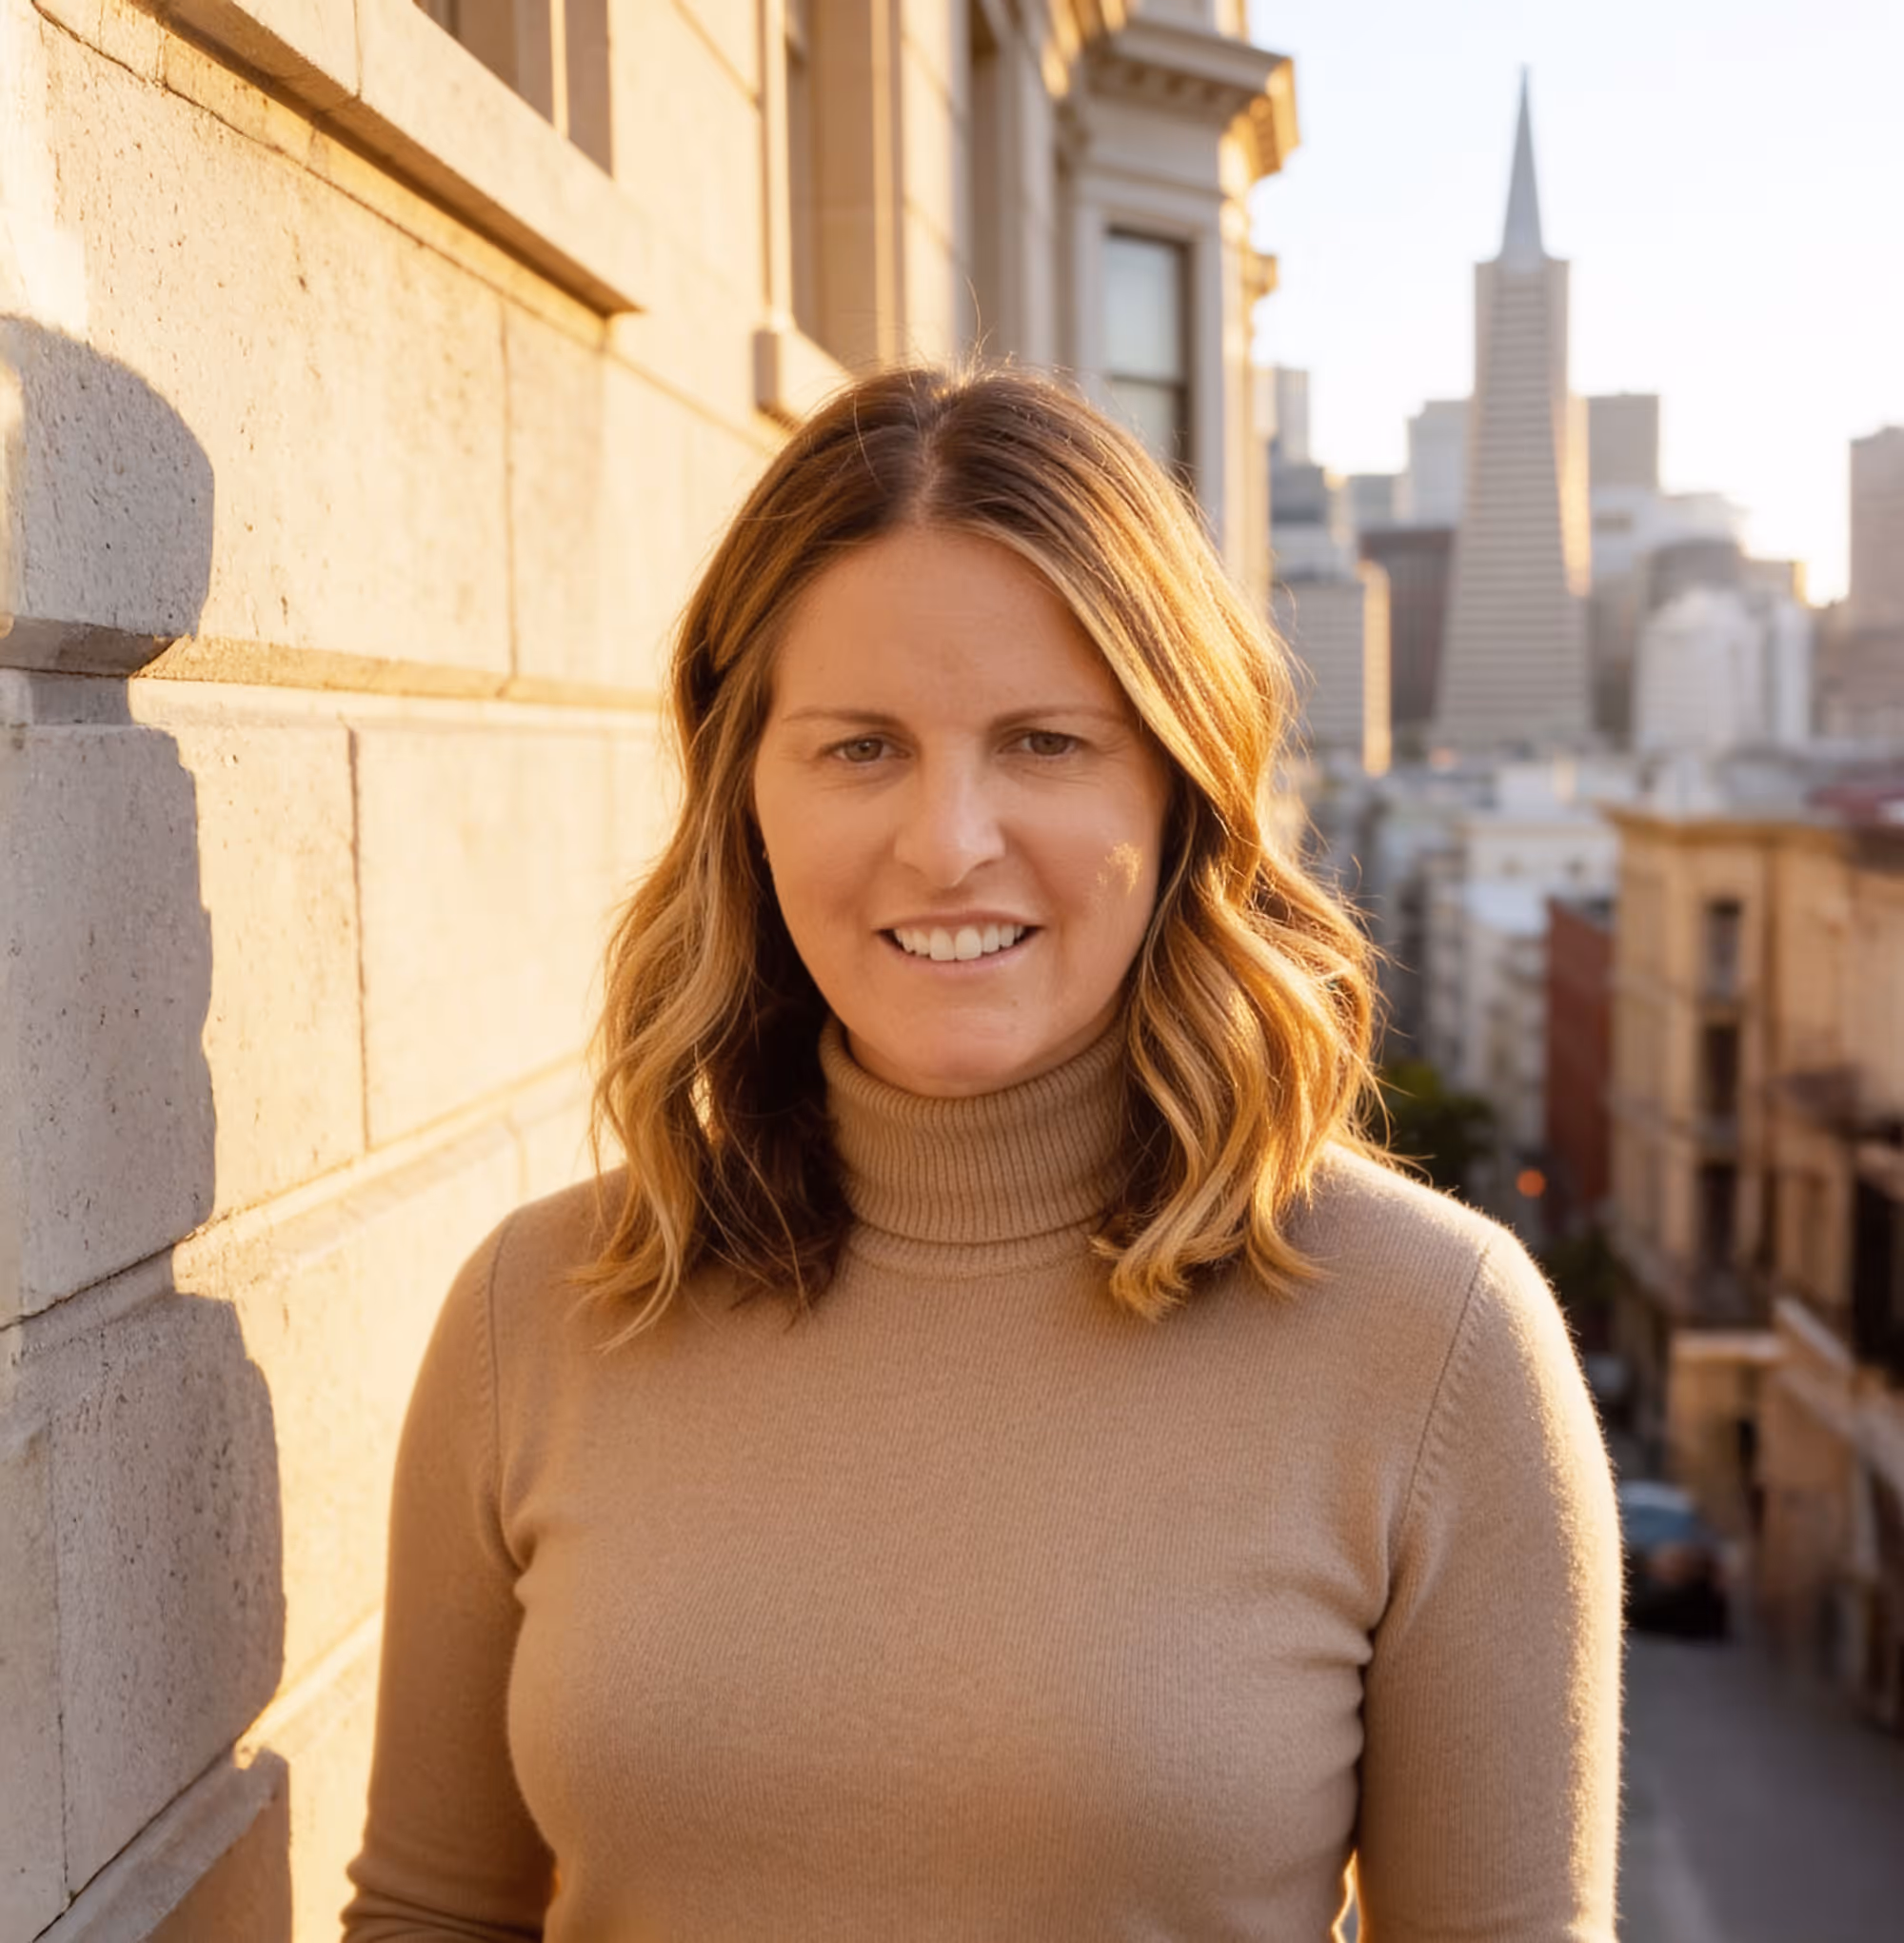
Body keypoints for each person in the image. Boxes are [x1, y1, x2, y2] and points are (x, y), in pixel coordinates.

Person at [343, 364, 1622, 1941]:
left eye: (1043, 743)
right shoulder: (535, 1311)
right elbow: (430, 1914)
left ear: (1180, 785)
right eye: (860, 748)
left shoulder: (1432, 1340)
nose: (948, 842)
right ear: (746, 791)